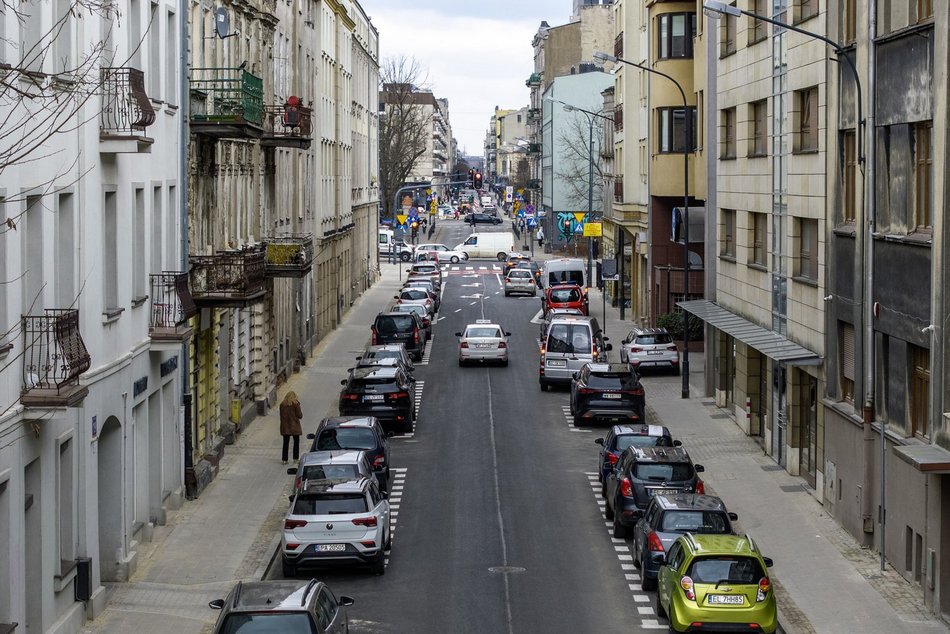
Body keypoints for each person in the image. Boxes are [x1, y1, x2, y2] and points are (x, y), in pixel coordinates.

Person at [279, 391, 303, 464]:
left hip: (285, 427)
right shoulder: (295, 404)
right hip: (294, 426)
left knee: (285, 443)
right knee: (296, 443)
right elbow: (300, 415)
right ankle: (295, 459)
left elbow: (281, 416)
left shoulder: (282, 405)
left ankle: (284, 460)